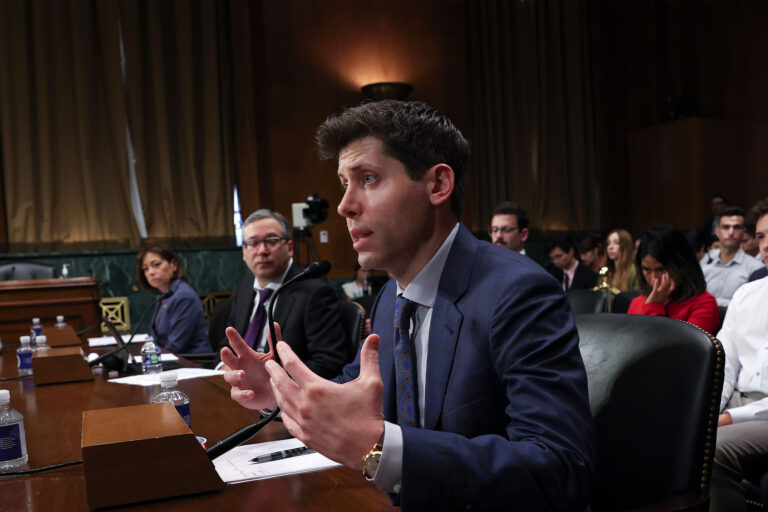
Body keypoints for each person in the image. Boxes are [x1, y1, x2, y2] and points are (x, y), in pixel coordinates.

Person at [221, 100, 594, 510]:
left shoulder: (518, 293)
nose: (345, 205)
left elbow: (560, 468)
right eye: (344, 183)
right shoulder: (390, 296)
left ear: (437, 186)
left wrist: (383, 448)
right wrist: (280, 389)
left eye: (368, 178)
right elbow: (355, 393)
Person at [223, 209, 348, 379]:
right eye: (253, 243)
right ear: (244, 253)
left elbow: (328, 363)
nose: (262, 251)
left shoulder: (315, 293)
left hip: (283, 395)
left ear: (289, 248)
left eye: (271, 241)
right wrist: (223, 367)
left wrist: (270, 380)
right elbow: (227, 345)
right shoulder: (245, 288)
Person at [710, 197, 768, 512]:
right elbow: (723, 365)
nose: (766, 245)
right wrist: (708, 412)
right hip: (736, 401)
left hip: (764, 413)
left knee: (712, 446)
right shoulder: (746, 294)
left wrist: (729, 418)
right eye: (760, 237)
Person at [627, 226, 719, 333]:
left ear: (681, 265)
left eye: (661, 270)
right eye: (646, 270)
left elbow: (681, 347)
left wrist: (654, 307)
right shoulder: (636, 303)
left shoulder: (704, 304)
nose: (654, 279)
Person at [136, 244, 210, 354]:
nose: (150, 272)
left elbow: (176, 345)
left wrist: (150, 356)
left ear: (173, 265)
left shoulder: (183, 296)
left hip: (192, 362)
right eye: (145, 269)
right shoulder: (166, 295)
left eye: (156, 265)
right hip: (172, 360)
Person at [700, 206, 763, 307]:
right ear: (717, 232)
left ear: (743, 232)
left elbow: (751, 305)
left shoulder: (755, 267)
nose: (731, 232)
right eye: (726, 227)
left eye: (736, 227)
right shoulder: (707, 259)